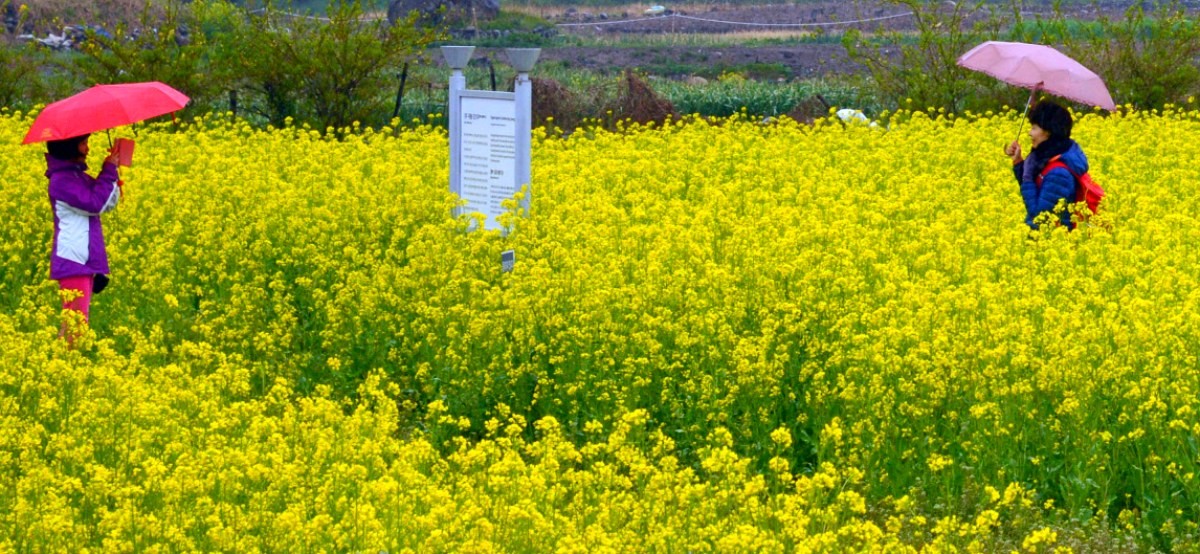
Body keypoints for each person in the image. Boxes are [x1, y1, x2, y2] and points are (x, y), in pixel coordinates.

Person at [45, 133, 122, 338]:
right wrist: (108, 170)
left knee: (76, 322)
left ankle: (65, 364)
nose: (87, 149)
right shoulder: (62, 181)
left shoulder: (76, 176)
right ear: (69, 148)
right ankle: (64, 366)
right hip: (73, 258)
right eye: (83, 144)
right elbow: (94, 203)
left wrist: (114, 175)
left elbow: (106, 204)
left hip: (84, 257)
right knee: (76, 324)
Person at [1004, 100, 1089, 230]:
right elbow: (1035, 190)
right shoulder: (1047, 158)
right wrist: (1019, 162)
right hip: (1045, 240)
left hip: (1053, 242)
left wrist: (1027, 177)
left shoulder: (1059, 174)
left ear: (1048, 131)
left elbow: (1040, 217)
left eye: (1034, 128)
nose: (1029, 133)